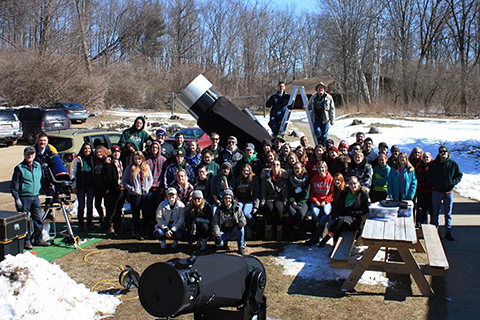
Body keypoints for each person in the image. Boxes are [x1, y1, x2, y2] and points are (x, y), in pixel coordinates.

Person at [10, 147, 50, 249]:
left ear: (35, 155)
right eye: (28, 154)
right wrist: (17, 199)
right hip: (24, 198)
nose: (30, 156)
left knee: (38, 219)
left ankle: (38, 239)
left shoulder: (38, 166)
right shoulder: (19, 168)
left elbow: (43, 179)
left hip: (35, 197)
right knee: (25, 220)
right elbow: (14, 186)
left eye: (32, 154)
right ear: (24, 155)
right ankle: (26, 241)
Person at [317, 176, 370, 248]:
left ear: (358, 183)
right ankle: (335, 245)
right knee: (338, 222)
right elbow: (339, 206)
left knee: (339, 220)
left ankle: (326, 239)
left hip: (355, 219)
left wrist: (351, 213)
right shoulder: (345, 193)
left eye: (354, 183)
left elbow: (364, 210)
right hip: (343, 216)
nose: (353, 186)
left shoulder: (363, 194)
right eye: (350, 184)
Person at [426, 146, 463, 241]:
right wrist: (433, 183)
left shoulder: (453, 164)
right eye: (441, 151)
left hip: (448, 192)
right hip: (437, 192)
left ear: (448, 153)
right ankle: (434, 232)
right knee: (435, 213)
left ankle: (448, 232)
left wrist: (453, 182)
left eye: (444, 151)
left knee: (448, 213)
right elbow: (428, 175)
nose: (443, 153)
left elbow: (459, 175)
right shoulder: (434, 164)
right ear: (439, 153)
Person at [122, 151, 153, 239]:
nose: (137, 161)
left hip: (145, 193)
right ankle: (136, 231)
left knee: (145, 213)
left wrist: (148, 187)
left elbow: (151, 179)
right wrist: (131, 188)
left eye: (139, 159)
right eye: (135, 159)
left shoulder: (146, 167)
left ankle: (144, 230)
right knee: (136, 214)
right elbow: (124, 181)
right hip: (135, 194)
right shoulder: (130, 168)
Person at [304, 161, 334, 245]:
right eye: (319, 168)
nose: (321, 169)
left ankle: (324, 232)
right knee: (315, 213)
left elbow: (331, 194)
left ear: (326, 168)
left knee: (326, 212)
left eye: (323, 167)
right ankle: (317, 233)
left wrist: (325, 201)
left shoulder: (330, 179)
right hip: (316, 200)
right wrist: (315, 201)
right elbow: (312, 193)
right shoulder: (314, 179)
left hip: (326, 201)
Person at [213, 189, 247, 255]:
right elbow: (215, 223)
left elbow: (243, 219)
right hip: (223, 231)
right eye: (225, 198)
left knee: (241, 229)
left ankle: (241, 246)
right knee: (219, 244)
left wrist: (241, 223)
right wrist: (217, 235)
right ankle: (224, 243)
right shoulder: (219, 209)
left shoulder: (237, 208)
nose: (227, 200)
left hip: (233, 231)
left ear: (231, 199)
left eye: (229, 198)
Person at [70, 142, 95, 231]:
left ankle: (89, 223)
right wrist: (74, 186)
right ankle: (81, 224)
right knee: (81, 205)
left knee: (90, 204)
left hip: (91, 185)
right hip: (81, 185)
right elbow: (73, 173)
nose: (87, 150)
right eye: (85, 148)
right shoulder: (77, 160)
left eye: (89, 148)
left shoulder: (93, 159)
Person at [260, 160, 288, 240]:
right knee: (269, 207)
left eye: (277, 165)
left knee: (279, 208)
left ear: (280, 167)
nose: (275, 167)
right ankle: (269, 228)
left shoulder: (283, 178)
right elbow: (263, 191)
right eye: (273, 165)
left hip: (279, 198)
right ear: (271, 166)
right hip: (269, 198)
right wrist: (262, 202)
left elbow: (285, 192)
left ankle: (279, 228)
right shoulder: (266, 178)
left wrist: (285, 202)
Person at [145, 141, 167, 236]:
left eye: (156, 148)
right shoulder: (147, 160)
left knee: (158, 209)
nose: (154, 149)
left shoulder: (163, 160)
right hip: (149, 188)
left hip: (159, 188)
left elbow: (164, 175)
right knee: (148, 209)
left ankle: (157, 226)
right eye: (153, 147)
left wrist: (162, 187)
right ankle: (149, 228)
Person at [103, 145, 124, 236]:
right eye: (114, 152)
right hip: (113, 189)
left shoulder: (121, 162)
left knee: (119, 208)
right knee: (111, 209)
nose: (116, 154)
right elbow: (107, 177)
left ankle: (118, 225)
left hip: (122, 189)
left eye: (118, 152)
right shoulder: (109, 164)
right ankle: (110, 226)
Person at [287, 162, 310, 238]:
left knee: (301, 213)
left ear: (302, 169)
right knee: (292, 212)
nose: (297, 170)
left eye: (298, 168)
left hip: (303, 201)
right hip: (293, 201)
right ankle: (295, 230)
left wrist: (299, 204)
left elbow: (306, 194)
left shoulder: (306, 178)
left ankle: (296, 229)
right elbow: (289, 192)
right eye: (295, 168)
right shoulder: (290, 178)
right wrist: (293, 202)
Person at [93, 146, 110, 227]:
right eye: (97, 152)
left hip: (105, 186)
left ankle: (108, 221)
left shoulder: (106, 161)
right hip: (97, 186)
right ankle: (101, 218)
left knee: (107, 204)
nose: (99, 154)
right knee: (97, 204)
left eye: (100, 152)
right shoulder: (96, 162)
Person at [416, 152, 433, 226]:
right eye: (424, 157)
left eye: (427, 157)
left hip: (432, 191)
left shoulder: (433, 166)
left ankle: (433, 225)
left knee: (432, 210)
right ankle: (423, 225)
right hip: (421, 190)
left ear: (430, 158)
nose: (425, 159)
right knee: (422, 210)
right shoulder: (419, 166)